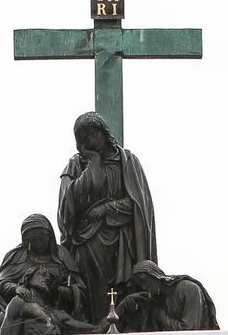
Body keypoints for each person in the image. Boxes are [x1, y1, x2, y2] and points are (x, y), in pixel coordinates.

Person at [56, 111, 157, 319]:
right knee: (92, 299)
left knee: (125, 297)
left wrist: (106, 209)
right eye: (83, 138)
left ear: (104, 133)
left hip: (122, 243)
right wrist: (92, 164)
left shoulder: (127, 162)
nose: (89, 141)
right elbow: (66, 209)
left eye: (92, 134)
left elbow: (139, 206)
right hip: (88, 243)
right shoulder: (75, 166)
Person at [0, 213, 96, 335]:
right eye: (33, 240)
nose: (38, 244)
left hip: (54, 307)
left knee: (70, 324)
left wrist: (56, 291)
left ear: (50, 236)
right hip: (24, 304)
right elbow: (2, 285)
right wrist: (16, 288)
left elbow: (78, 289)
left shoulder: (61, 255)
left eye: (41, 239)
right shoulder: (16, 256)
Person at [105, 260, 219, 332]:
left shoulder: (188, 289)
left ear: (155, 276)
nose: (144, 287)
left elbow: (190, 330)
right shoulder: (157, 301)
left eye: (144, 281)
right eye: (140, 285)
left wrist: (161, 316)